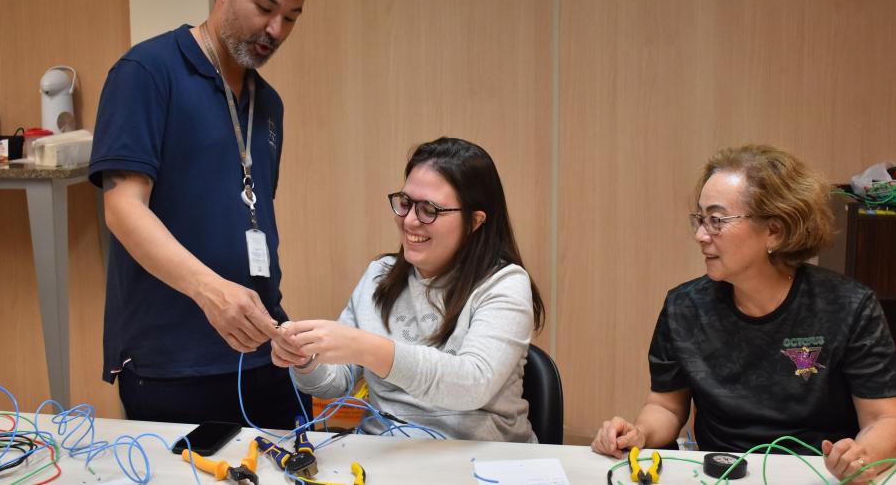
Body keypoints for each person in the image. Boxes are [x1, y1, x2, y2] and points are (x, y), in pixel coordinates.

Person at [88, 0, 315, 427]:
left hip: (262, 349)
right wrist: (211, 290)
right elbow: (123, 209)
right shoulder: (146, 73)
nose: (276, 30)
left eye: (291, 18)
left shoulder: (268, 103)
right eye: (265, 7)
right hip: (173, 360)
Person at [591, 144, 896, 483]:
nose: (700, 235)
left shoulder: (849, 306)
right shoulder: (684, 307)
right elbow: (666, 406)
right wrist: (640, 433)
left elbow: (884, 420)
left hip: (817, 474)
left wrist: (859, 457)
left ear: (774, 231)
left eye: (717, 220)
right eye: (700, 219)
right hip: (721, 474)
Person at [269, 137, 545, 442]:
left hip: (479, 462)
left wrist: (369, 349)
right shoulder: (380, 275)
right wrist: (305, 360)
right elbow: (336, 384)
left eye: (430, 210)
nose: (410, 221)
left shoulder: (505, 284)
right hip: (385, 458)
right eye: (405, 203)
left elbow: (472, 384)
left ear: (475, 221)